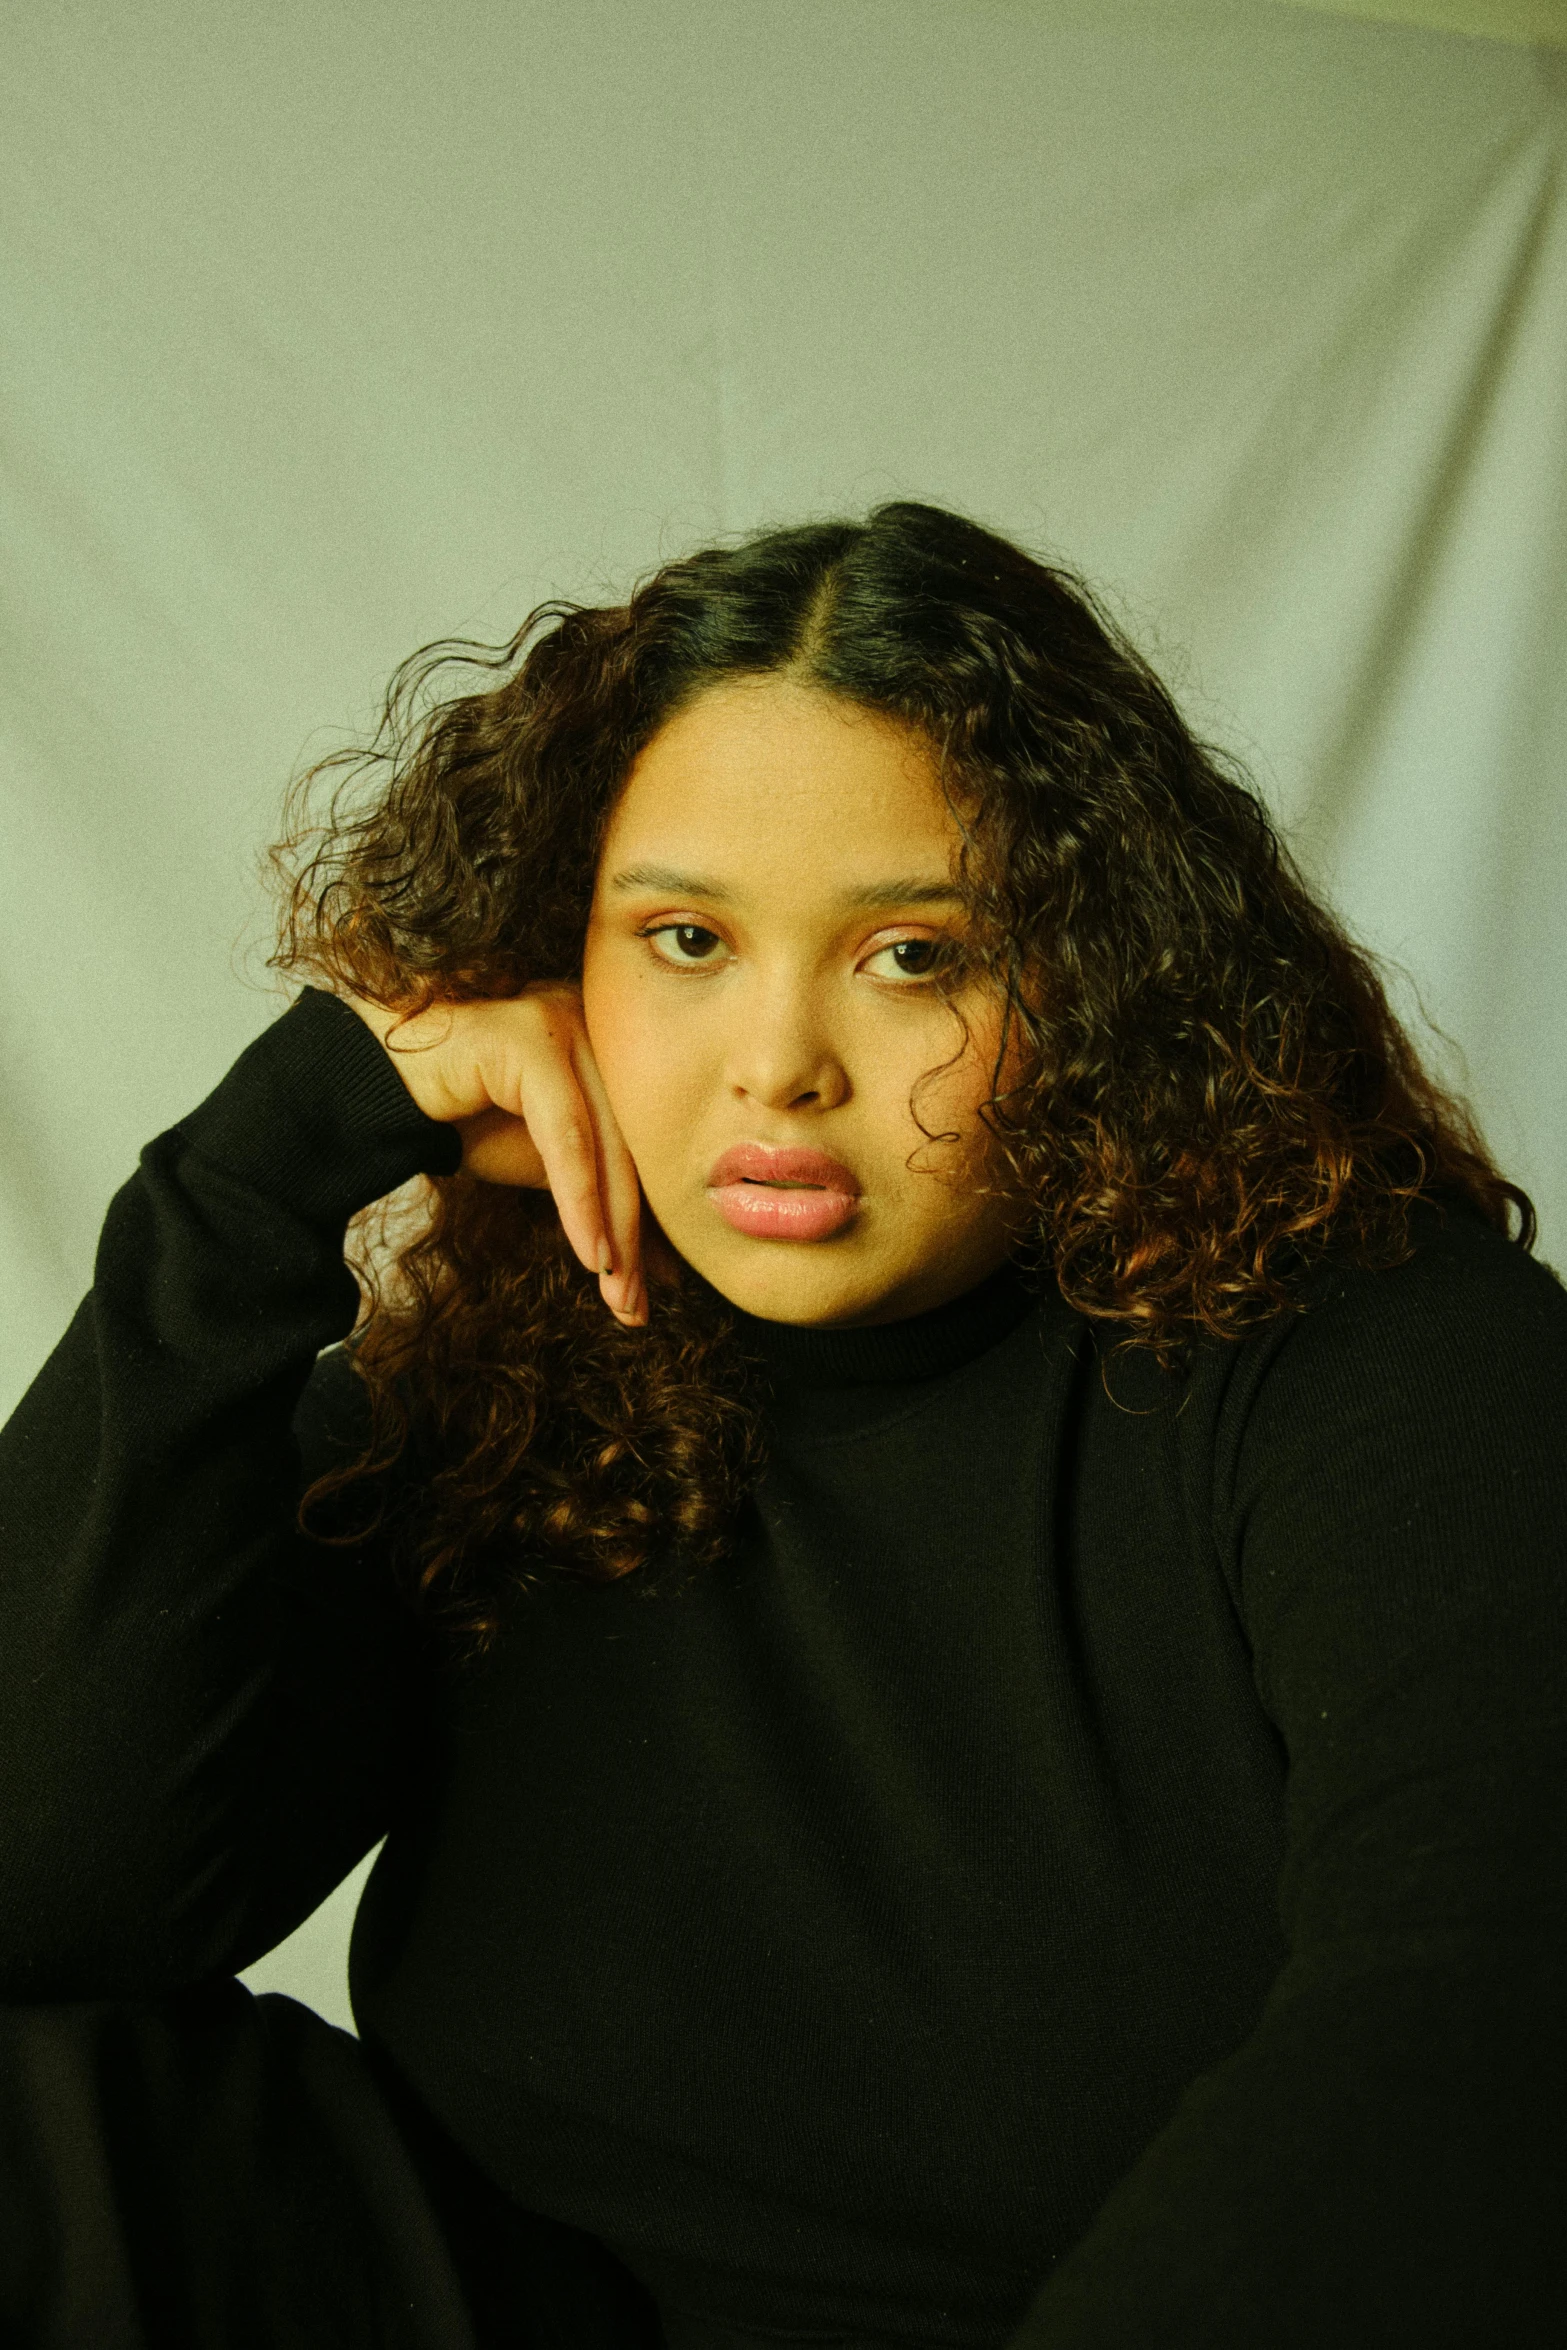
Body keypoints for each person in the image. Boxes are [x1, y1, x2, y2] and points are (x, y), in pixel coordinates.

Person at [1, 500, 1562, 2350]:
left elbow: (1473, 2009)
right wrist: (260, 1181)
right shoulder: (521, 1382)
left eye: (912, 954)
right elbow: (47, 1906)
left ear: (1105, 975)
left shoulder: (1383, 1356)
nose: (775, 1062)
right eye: (682, 938)